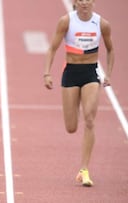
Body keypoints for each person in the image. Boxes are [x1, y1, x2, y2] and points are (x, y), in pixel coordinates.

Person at [44, 0, 114, 187]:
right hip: (71, 73)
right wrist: (47, 73)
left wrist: (109, 73)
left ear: (93, 2)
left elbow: (110, 49)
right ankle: (74, 107)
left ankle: (84, 169)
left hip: (91, 73)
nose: (84, 3)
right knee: (71, 127)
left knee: (90, 119)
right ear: (75, 2)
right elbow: (52, 48)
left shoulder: (102, 24)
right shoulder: (66, 21)